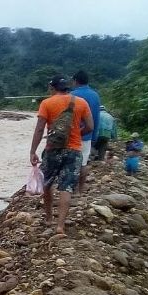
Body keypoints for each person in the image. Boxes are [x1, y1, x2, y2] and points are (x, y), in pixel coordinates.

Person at [30, 75, 93, 235]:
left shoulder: (47, 103)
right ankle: (60, 226)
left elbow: (39, 129)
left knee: (47, 183)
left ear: (53, 88)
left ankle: (49, 218)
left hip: (52, 149)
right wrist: (78, 133)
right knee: (67, 187)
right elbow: (90, 127)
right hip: (74, 150)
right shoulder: (81, 102)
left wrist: (33, 151)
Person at [70, 70, 100, 195]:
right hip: (87, 135)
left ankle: (71, 189)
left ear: (76, 81)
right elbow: (96, 118)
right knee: (83, 163)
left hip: (72, 136)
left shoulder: (71, 95)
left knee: (71, 164)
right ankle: (80, 190)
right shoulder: (95, 95)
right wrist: (94, 136)